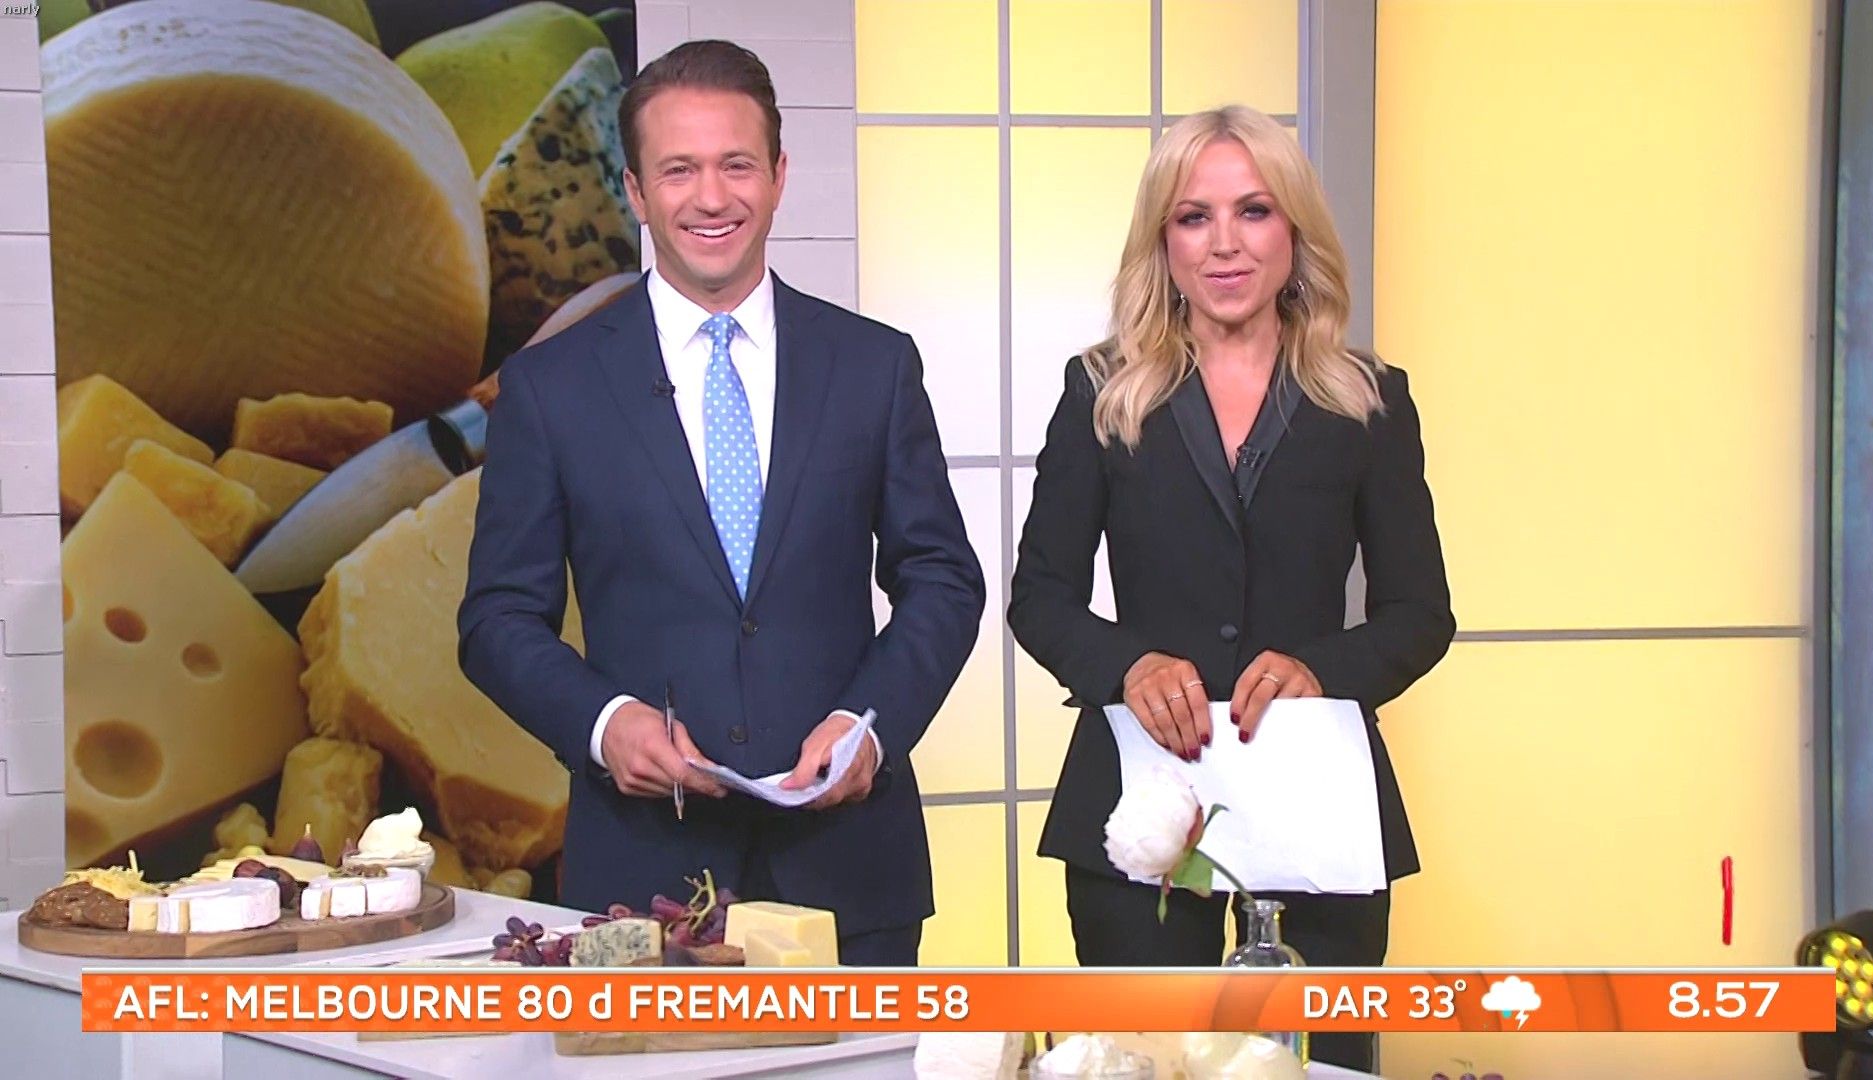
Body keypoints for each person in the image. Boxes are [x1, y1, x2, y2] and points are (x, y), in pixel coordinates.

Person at [457, 40, 986, 966]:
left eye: (737, 165)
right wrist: (603, 723)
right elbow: (497, 619)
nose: (711, 197)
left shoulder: (874, 365)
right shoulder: (548, 389)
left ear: (779, 176)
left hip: (851, 880)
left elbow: (943, 579)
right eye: (679, 170)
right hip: (639, 882)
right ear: (635, 190)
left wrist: (872, 726)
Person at [1007, 104, 1453, 1067]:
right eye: (1193, 217)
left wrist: (1323, 670)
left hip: (1317, 805)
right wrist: (1127, 665)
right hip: (1139, 807)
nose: (1224, 244)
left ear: (1294, 229)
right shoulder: (1101, 391)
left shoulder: (1370, 399)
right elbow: (1038, 596)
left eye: (1253, 211)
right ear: (1162, 241)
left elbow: (1422, 614)